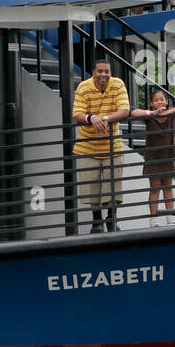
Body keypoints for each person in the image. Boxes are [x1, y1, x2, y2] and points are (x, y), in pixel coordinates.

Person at [72, 57, 131, 233]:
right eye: (100, 71)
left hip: (112, 146)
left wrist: (104, 119)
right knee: (92, 188)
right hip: (87, 146)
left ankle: (111, 219)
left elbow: (124, 110)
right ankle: (96, 221)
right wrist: (92, 118)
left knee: (113, 187)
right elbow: (77, 114)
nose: (103, 75)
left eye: (107, 71)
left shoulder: (118, 84)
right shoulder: (84, 87)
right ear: (93, 73)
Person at [130, 90, 175, 223]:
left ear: (166, 101)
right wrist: (153, 113)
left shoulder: (171, 113)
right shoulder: (149, 116)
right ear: (152, 103)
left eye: (162, 99)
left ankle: (170, 216)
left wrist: (171, 111)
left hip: (169, 155)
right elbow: (134, 112)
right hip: (153, 157)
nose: (159, 102)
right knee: (154, 189)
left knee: (168, 187)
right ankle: (153, 219)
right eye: (156, 100)